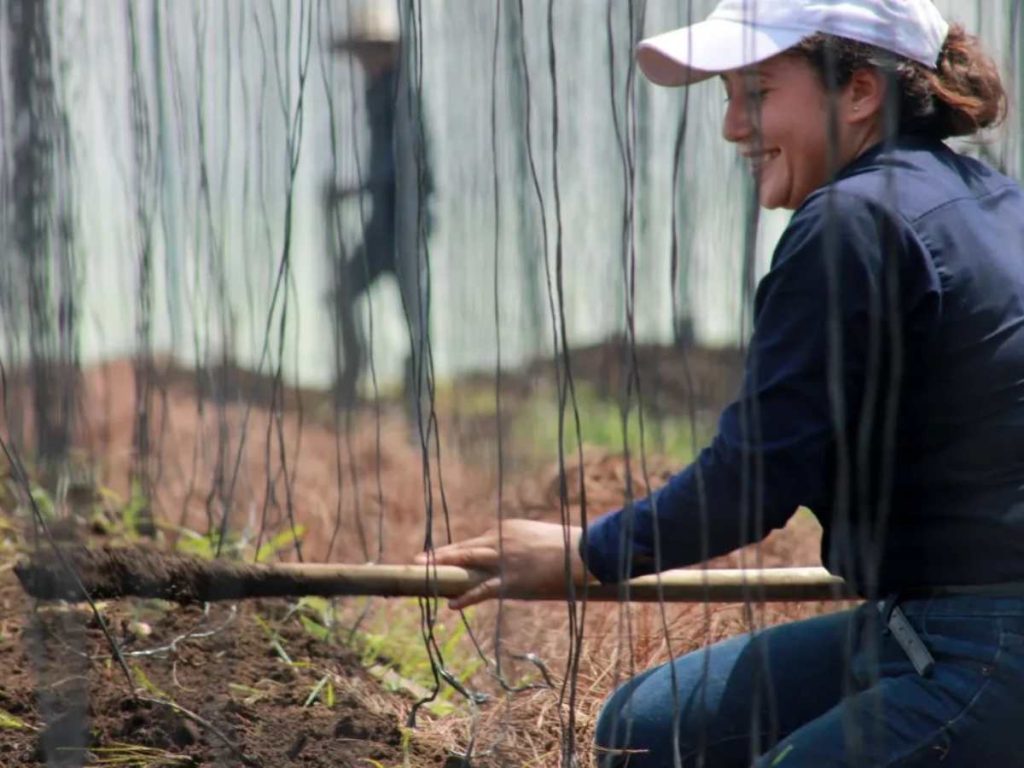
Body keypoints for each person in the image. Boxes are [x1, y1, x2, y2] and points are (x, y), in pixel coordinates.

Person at [416, 0, 1024, 765]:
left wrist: (585, 553)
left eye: (759, 93)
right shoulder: (992, 201)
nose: (734, 127)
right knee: (647, 726)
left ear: (861, 91)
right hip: (919, 620)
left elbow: (755, 478)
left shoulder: (855, 222)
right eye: (729, 97)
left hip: (991, 643)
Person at [328, 2, 432, 416]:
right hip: (382, 225)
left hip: (404, 226)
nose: (363, 62)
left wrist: (357, 188)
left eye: (369, 53)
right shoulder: (378, 93)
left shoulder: (401, 94)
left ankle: (415, 402)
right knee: (343, 291)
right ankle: (356, 369)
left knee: (417, 322)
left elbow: (401, 162)